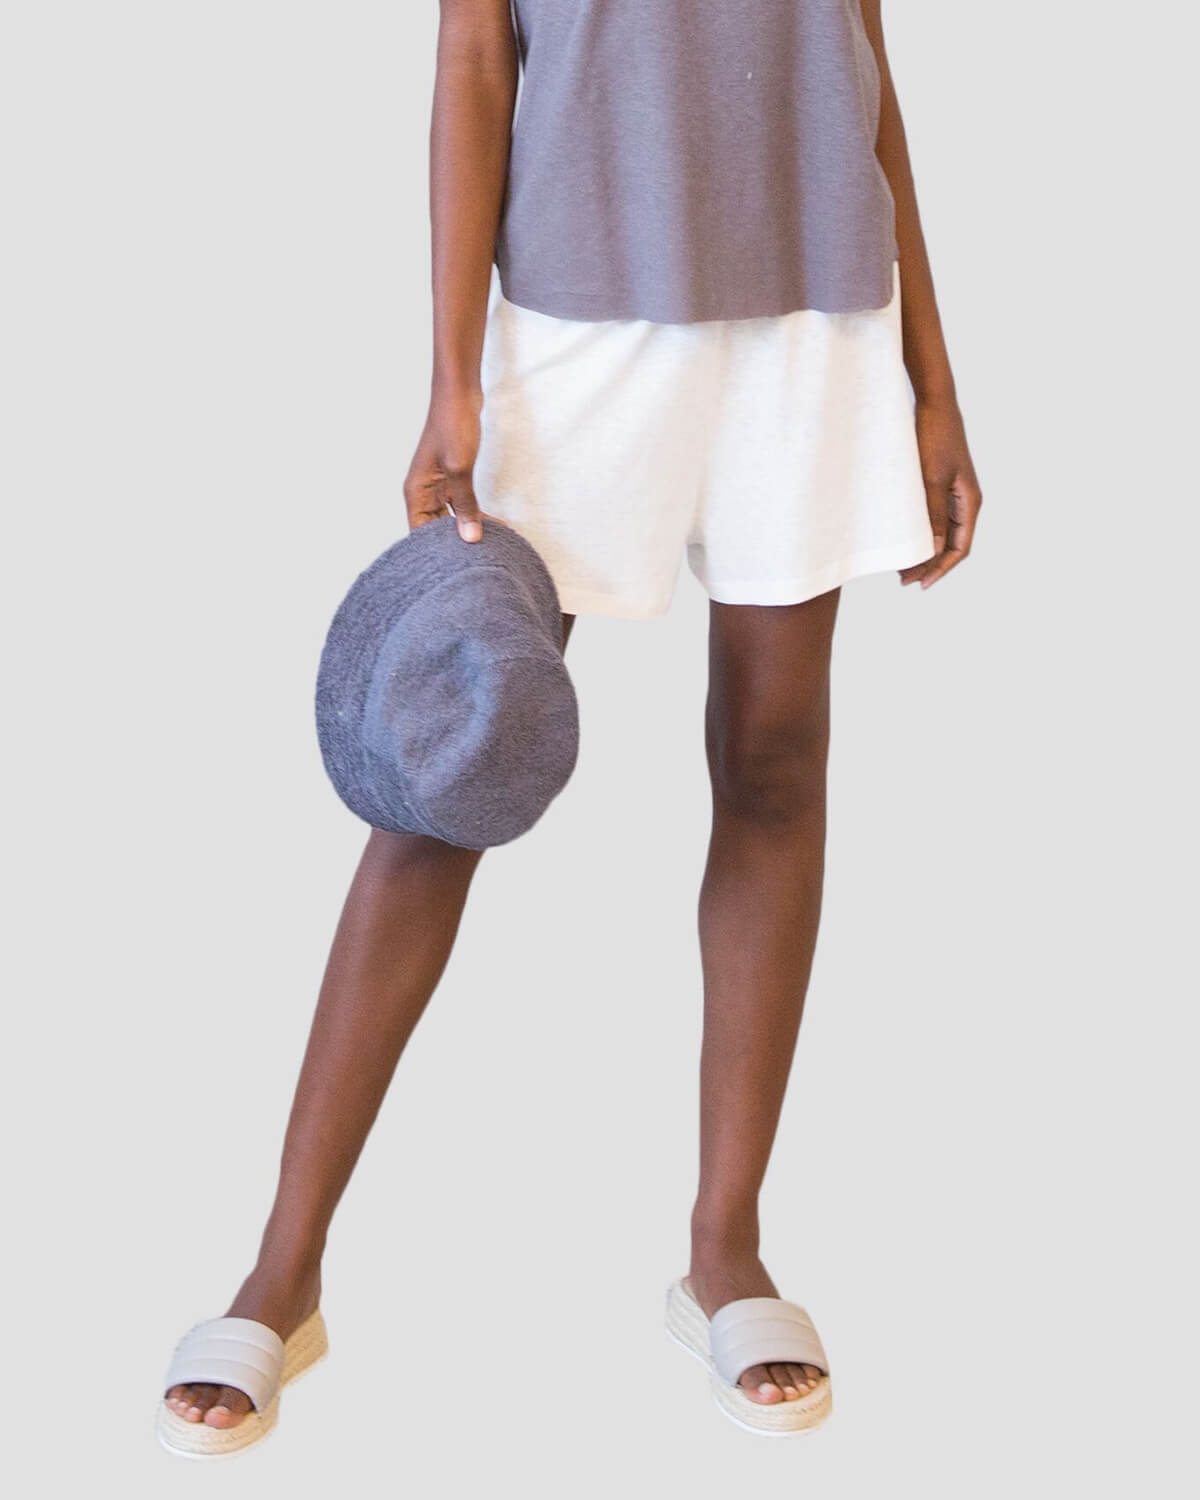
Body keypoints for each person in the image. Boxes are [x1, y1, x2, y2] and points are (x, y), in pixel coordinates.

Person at [162, 0, 981, 1437]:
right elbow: (476, 54)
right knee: (448, 774)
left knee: (775, 763)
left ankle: (725, 1248)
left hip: (820, 319)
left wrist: (934, 374)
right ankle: (282, 1270)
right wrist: (451, 375)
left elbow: (864, 53)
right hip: (581, 316)